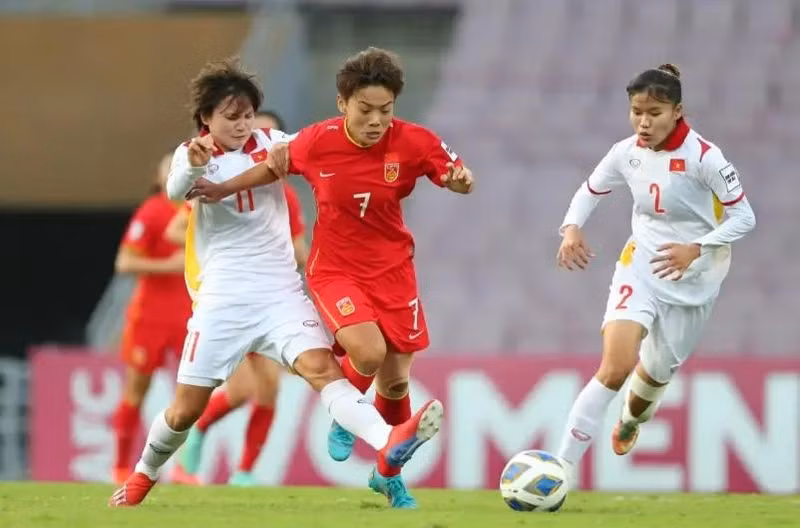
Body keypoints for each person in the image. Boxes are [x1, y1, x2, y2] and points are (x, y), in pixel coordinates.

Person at [108, 57, 443, 507]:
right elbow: (175, 190)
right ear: (206, 117)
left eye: (248, 115)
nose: (242, 124)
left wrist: (371, 130)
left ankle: (389, 441)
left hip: (280, 294)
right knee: (186, 409)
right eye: (232, 116)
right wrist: (191, 167)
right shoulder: (194, 155)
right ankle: (144, 473)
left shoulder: (274, 143)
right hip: (223, 302)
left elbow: (327, 142)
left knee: (323, 371)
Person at [186, 47, 473, 508]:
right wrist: (222, 187)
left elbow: (455, 175)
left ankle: (388, 473)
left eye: (385, 110)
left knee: (396, 384)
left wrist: (460, 181)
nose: (376, 120)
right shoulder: (318, 140)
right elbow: (272, 166)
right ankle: (345, 415)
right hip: (336, 269)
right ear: (343, 103)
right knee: (368, 351)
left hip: (394, 270)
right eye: (365, 109)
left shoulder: (415, 141)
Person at [553, 64, 756, 484]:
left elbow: (745, 217)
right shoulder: (626, 152)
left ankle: (630, 420)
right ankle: (560, 468)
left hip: (695, 281)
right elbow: (590, 190)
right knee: (615, 366)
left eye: (654, 113)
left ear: (677, 112)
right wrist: (571, 228)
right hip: (641, 266)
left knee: (652, 381)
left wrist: (696, 247)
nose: (643, 123)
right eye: (636, 112)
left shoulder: (706, 158)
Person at [169, 111, 311, 487]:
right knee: (243, 390)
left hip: (270, 298)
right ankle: (198, 435)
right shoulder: (214, 177)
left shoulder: (284, 196)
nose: (250, 138)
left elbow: (299, 249)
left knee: (268, 390)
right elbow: (177, 226)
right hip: (228, 297)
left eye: (262, 133)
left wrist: (286, 253)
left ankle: (244, 472)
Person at [110, 152, 192, 485]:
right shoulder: (152, 211)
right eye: (169, 169)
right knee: (136, 390)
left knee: (192, 394)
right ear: (159, 178)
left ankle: (184, 468)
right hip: (151, 317)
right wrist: (168, 266)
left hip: (191, 316)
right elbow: (124, 262)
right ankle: (119, 466)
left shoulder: (203, 207)